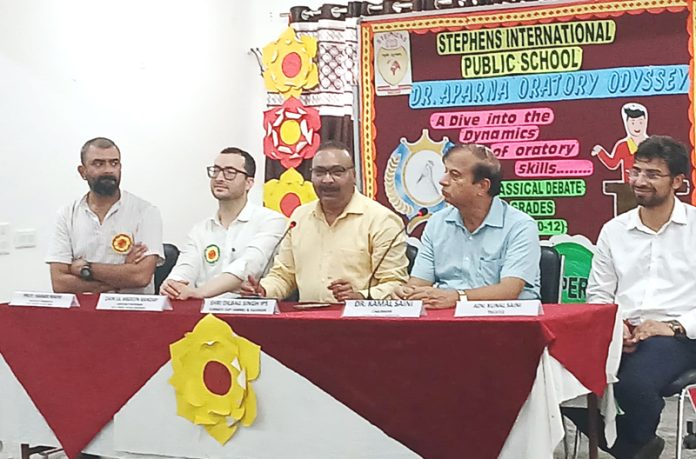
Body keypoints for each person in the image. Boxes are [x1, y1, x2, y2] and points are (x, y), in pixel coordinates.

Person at [582, 135, 696, 459]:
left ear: (677, 182)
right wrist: (615, 326)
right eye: (636, 172)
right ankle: (638, 445)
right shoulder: (613, 231)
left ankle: (631, 445)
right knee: (557, 371)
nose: (639, 181)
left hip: (682, 336)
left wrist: (671, 326)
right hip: (623, 332)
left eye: (651, 174)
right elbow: (599, 294)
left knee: (634, 385)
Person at [241, 140, 408, 302]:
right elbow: (284, 275)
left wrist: (361, 296)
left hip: (361, 323)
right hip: (308, 323)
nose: (327, 180)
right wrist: (263, 290)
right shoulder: (299, 217)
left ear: (354, 175)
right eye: (319, 172)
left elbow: (395, 283)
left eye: (337, 172)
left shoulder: (381, 220)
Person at [392, 143, 540, 308]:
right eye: (445, 172)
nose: (442, 181)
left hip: (504, 323)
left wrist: (458, 298)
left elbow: (509, 290)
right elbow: (419, 282)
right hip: (446, 320)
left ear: (482, 186)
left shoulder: (520, 226)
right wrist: (407, 292)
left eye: (455, 175)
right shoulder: (436, 223)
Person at [159, 147, 286, 300]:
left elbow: (248, 266)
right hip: (202, 315)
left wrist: (200, 293)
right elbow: (184, 270)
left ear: (249, 183)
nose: (219, 178)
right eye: (216, 170)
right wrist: (173, 286)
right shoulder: (200, 230)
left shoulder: (271, 221)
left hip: (248, 314)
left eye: (230, 172)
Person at [46, 137, 163, 294]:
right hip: (84, 312)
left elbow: (140, 277)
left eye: (114, 163)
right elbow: (60, 283)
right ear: (83, 172)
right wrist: (122, 273)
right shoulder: (66, 215)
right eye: (98, 164)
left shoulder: (146, 212)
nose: (108, 170)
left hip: (131, 311)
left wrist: (84, 268)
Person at [592, 102, 649, 183]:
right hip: (627, 188)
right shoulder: (623, 146)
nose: (637, 126)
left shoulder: (652, 145)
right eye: (632, 123)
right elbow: (613, 164)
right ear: (627, 123)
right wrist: (600, 152)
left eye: (640, 122)